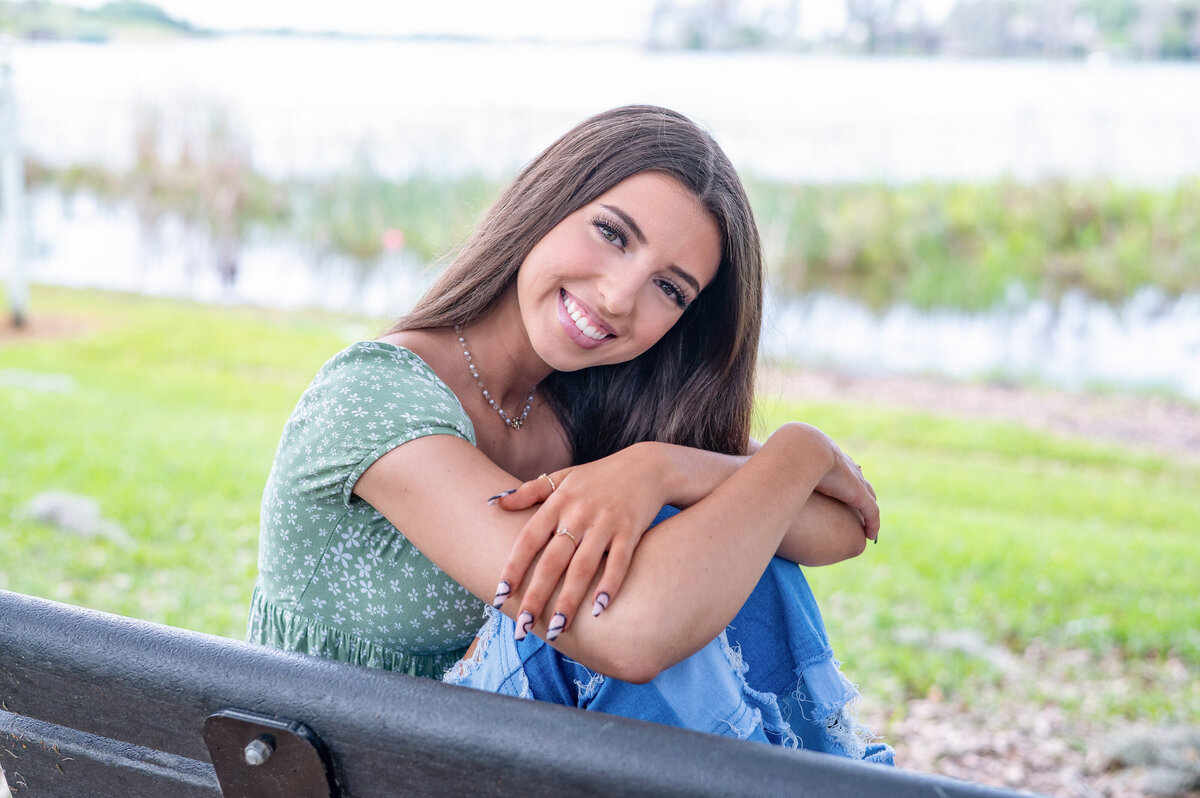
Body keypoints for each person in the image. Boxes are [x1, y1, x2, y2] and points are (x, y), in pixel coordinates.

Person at [247, 105, 892, 763]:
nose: (618, 297)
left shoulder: (592, 408)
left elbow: (843, 523)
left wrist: (668, 469)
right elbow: (630, 634)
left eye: (669, 289)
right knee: (669, 561)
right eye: (612, 234)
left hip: (479, 762)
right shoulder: (376, 396)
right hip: (359, 770)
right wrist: (797, 454)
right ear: (548, 200)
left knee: (721, 533)